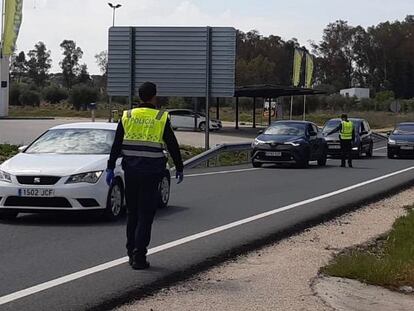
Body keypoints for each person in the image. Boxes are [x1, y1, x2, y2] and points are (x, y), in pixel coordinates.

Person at [106, 82, 184, 270]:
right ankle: (139, 256)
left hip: (131, 171)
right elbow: (172, 144)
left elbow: (116, 145)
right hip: (152, 173)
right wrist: (179, 167)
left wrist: (110, 167)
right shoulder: (160, 117)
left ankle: (131, 252)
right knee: (146, 214)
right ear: (154, 96)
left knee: (132, 213)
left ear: (139, 97)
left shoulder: (128, 115)